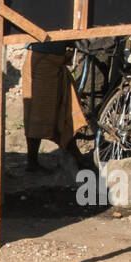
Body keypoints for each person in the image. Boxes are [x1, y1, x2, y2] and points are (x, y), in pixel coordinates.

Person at [23, 40, 87, 172]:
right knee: (38, 115)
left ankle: (77, 157)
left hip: (53, 62)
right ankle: (32, 162)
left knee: (63, 110)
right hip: (42, 62)